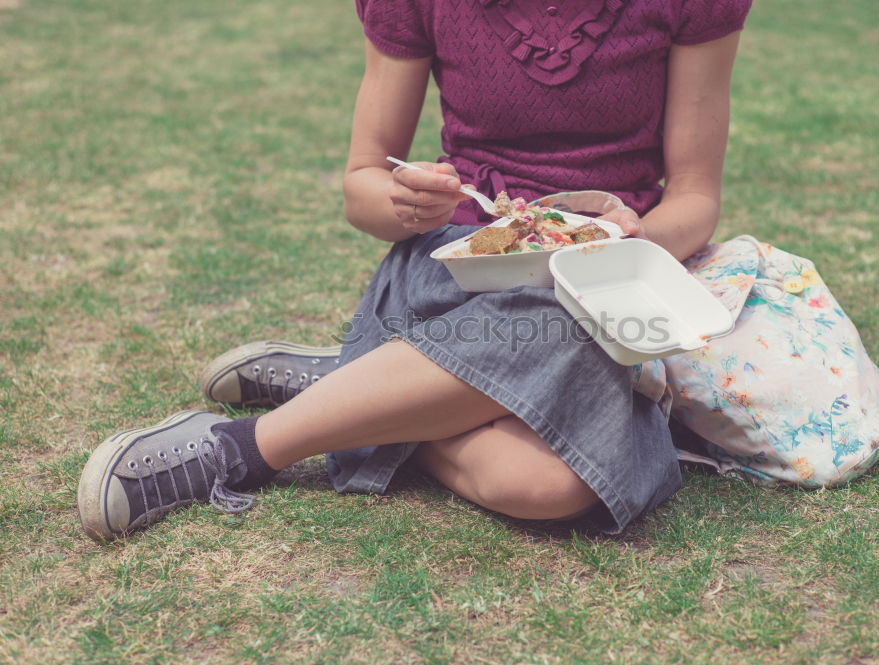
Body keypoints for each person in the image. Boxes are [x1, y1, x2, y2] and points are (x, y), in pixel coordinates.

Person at [76, 0, 753, 541]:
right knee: (542, 343)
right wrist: (403, 200)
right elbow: (362, 187)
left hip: (602, 290)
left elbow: (696, 195)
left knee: (547, 487)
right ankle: (239, 449)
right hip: (461, 270)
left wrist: (620, 245)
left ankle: (365, 385)